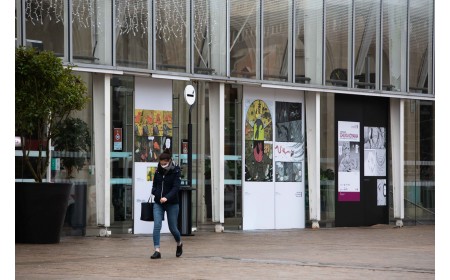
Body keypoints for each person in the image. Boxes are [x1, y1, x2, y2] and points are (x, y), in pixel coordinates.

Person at [150, 149, 183, 259]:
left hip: (172, 203)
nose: (162, 165)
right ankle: (157, 250)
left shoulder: (176, 171)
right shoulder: (157, 171)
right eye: (161, 163)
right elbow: (154, 185)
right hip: (158, 203)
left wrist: (166, 197)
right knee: (157, 225)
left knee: (173, 228)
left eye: (164, 164)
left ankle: (179, 244)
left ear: (169, 161)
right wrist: (155, 193)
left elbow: (176, 188)